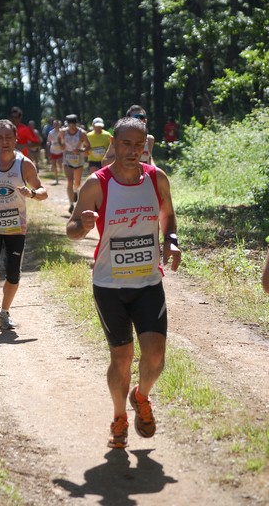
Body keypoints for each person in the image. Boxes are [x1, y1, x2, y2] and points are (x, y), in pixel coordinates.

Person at [66, 117, 181, 449]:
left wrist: (171, 239)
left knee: (156, 356)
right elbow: (71, 229)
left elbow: (168, 215)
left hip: (147, 282)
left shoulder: (156, 179)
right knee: (122, 357)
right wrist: (82, 227)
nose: (133, 151)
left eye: (139, 144)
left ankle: (141, 396)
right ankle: (119, 417)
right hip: (109, 285)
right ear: (113, 144)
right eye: (126, 144)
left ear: (146, 144)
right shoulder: (96, 184)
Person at [0, 119, 48, 331]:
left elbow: (43, 191)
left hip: (16, 226)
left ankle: (4, 313)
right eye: (0, 137)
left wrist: (31, 193)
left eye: (9, 137)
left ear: (16, 139)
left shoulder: (24, 164)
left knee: (14, 273)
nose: (5, 141)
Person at [59, 114, 90, 213]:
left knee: (77, 182)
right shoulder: (63, 132)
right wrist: (62, 145)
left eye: (73, 124)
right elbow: (59, 140)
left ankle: (75, 192)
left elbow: (88, 146)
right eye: (69, 124)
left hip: (78, 160)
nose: (71, 127)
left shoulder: (82, 133)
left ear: (76, 124)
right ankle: (71, 204)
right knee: (69, 181)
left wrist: (80, 151)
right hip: (67, 158)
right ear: (67, 124)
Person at [47, 119, 63, 184]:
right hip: (53, 149)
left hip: (60, 149)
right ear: (53, 125)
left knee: (60, 163)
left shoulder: (62, 132)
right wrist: (48, 143)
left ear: (59, 125)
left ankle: (60, 168)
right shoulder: (51, 132)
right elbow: (48, 140)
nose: (56, 126)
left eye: (57, 124)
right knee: (54, 165)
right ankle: (56, 179)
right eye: (54, 124)